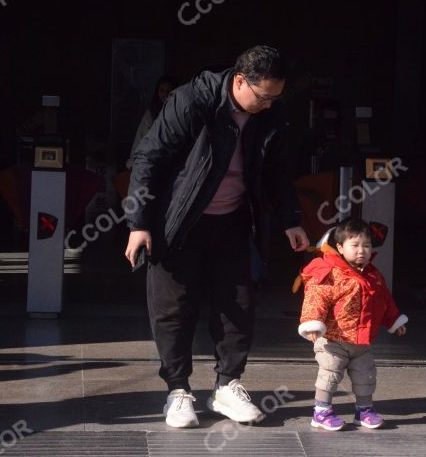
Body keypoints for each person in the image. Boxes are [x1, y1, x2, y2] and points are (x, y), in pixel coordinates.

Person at [123, 45, 309, 428]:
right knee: (173, 307)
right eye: (263, 96)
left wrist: (291, 219)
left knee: (238, 303)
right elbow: (149, 158)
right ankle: (177, 391)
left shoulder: (270, 114)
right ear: (240, 81)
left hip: (233, 219)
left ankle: (228, 386)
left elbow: (277, 171)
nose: (270, 104)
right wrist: (138, 222)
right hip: (178, 221)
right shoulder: (192, 100)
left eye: (277, 96)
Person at [298, 219, 408, 431]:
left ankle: (364, 410)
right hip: (333, 339)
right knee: (329, 374)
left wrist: (394, 320)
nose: (361, 251)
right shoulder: (330, 272)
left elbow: (384, 300)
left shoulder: (373, 275)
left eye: (366, 246)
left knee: (365, 375)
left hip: (361, 341)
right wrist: (312, 323)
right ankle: (321, 411)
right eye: (355, 245)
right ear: (340, 247)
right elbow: (316, 297)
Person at [125, 75, 178, 169]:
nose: (165, 94)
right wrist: (133, 163)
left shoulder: (178, 115)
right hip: (148, 164)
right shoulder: (150, 114)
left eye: (168, 91)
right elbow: (139, 139)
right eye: (162, 90)